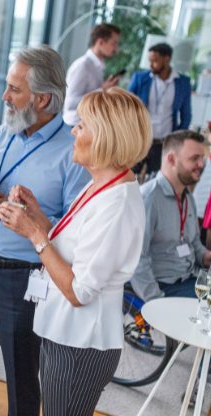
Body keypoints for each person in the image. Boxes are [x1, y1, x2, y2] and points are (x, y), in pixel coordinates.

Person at [0, 88, 151, 416]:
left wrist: (35, 235)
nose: (73, 131)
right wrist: (37, 216)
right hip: (66, 335)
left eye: (81, 125)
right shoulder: (102, 183)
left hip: (80, 344)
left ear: (105, 136)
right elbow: (76, 247)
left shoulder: (117, 204)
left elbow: (80, 291)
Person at [0, 46, 90, 416]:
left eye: (14, 89)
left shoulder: (73, 152)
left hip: (27, 278)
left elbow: (73, 233)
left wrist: (27, 219)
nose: (5, 97)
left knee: (21, 378)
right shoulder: (5, 132)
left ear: (43, 99)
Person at [131, 130, 209, 301]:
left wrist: (205, 256)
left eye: (202, 159)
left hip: (190, 278)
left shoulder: (188, 198)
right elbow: (137, 261)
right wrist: (157, 302)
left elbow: (194, 243)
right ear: (172, 159)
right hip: (164, 287)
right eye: (194, 159)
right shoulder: (148, 198)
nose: (201, 164)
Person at [129, 42, 192, 176]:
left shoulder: (183, 82)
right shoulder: (140, 78)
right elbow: (126, 105)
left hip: (163, 144)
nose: (151, 65)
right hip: (139, 140)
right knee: (127, 176)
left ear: (167, 59)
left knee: (155, 180)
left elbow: (186, 115)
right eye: (150, 61)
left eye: (155, 61)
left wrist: (177, 139)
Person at [63, 23, 122, 126]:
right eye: (114, 44)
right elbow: (70, 103)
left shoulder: (97, 66)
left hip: (86, 126)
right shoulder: (83, 66)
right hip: (74, 126)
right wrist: (102, 90)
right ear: (100, 42)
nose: (116, 49)